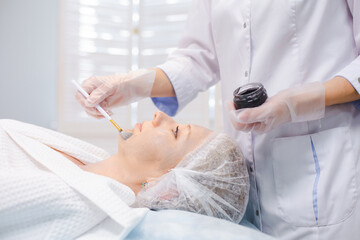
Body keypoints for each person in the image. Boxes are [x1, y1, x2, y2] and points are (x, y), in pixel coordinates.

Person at [75, 1, 360, 239]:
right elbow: (198, 58)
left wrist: (298, 102)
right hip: (244, 181)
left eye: (176, 130)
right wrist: (133, 84)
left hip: (325, 172)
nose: (159, 117)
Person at [0, 111, 249, 239]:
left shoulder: (77, 203)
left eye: (175, 131)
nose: (159, 115)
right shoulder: (91, 157)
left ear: (166, 187)